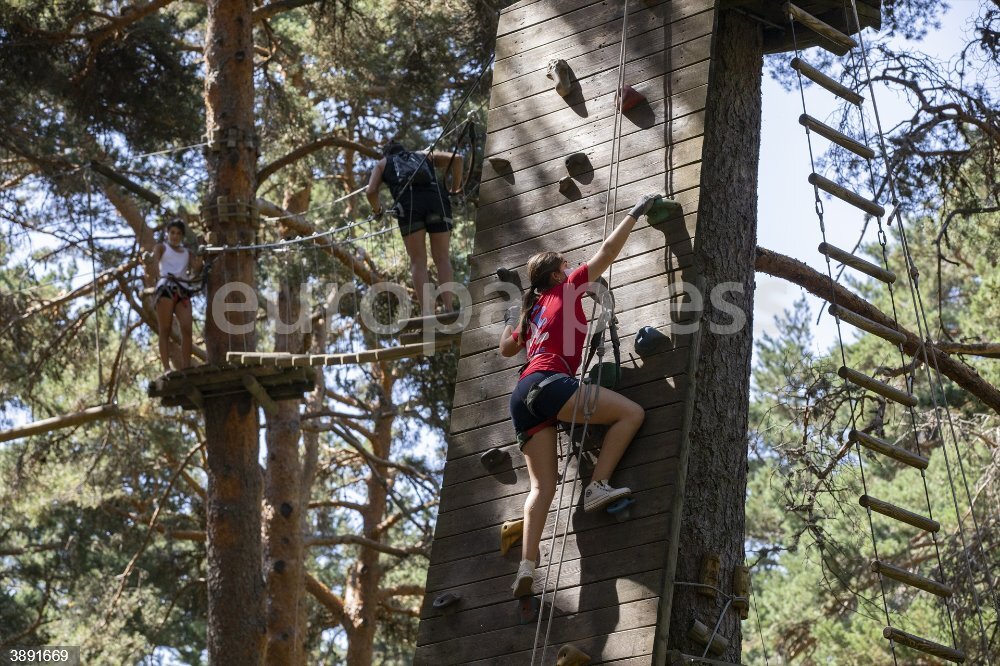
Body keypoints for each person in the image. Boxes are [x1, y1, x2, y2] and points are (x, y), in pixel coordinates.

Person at [498, 193, 660, 598]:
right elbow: (607, 251)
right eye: (566, 266)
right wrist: (634, 213)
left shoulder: (531, 313)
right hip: (552, 384)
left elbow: (505, 349)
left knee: (541, 489)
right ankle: (597, 485)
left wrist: (513, 311)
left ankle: (527, 566)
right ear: (556, 275)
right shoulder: (566, 288)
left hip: (522, 396)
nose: (573, 269)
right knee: (631, 414)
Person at [366, 140, 464, 315]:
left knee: (418, 261)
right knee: (442, 257)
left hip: (409, 206)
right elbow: (457, 159)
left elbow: (371, 191)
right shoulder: (423, 154)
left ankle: (428, 313)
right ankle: (449, 308)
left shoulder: (383, 163)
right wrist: (455, 191)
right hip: (437, 201)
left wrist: (378, 210)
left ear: (386, 153)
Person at [150, 219, 198, 372]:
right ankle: (166, 368)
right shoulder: (161, 247)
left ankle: (186, 367)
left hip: (182, 290)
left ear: (182, 236)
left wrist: (201, 252)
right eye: (172, 233)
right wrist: (157, 275)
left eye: (178, 233)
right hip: (165, 288)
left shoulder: (187, 252)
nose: (175, 236)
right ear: (167, 233)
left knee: (186, 328)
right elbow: (154, 260)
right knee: (165, 328)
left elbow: (197, 267)